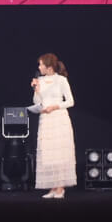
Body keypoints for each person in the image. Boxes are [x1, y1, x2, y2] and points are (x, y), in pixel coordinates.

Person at [29, 52, 76, 199]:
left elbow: (70, 101)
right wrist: (36, 90)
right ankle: (53, 187)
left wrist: (55, 106)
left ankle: (60, 188)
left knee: (59, 153)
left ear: (48, 66)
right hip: (46, 119)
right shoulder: (40, 80)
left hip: (59, 118)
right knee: (48, 153)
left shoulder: (61, 80)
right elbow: (37, 101)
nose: (39, 67)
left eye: (41, 64)